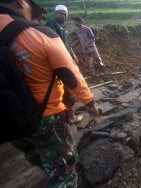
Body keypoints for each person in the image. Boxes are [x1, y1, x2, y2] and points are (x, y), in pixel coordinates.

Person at [0, 0, 100, 187]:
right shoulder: (38, 33)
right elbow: (70, 75)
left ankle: (48, 166)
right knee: (63, 169)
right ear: (22, 3)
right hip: (46, 117)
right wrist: (90, 102)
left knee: (35, 153)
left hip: (9, 119)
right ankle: (57, 172)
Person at [45, 5, 83, 124]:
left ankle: (65, 113)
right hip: (59, 62)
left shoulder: (63, 26)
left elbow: (68, 45)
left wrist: (73, 56)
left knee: (65, 88)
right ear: (55, 13)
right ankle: (71, 117)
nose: (62, 15)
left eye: (65, 14)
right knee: (67, 87)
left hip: (64, 59)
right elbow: (52, 45)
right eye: (60, 13)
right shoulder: (52, 24)